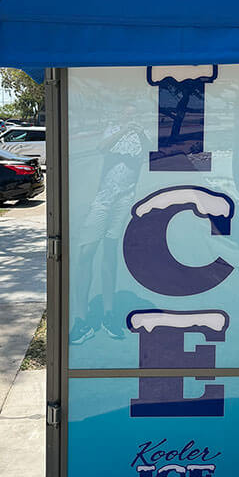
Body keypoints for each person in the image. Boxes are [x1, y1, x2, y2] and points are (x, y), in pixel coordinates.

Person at [71, 103, 150, 344]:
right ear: (120, 113)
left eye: (134, 111)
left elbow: (148, 154)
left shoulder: (143, 134)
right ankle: (81, 319)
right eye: (127, 111)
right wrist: (123, 130)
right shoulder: (112, 129)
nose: (131, 113)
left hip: (123, 200)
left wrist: (139, 133)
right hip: (102, 200)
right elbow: (102, 147)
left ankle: (108, 314)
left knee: (110, 252)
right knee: (86, 253)